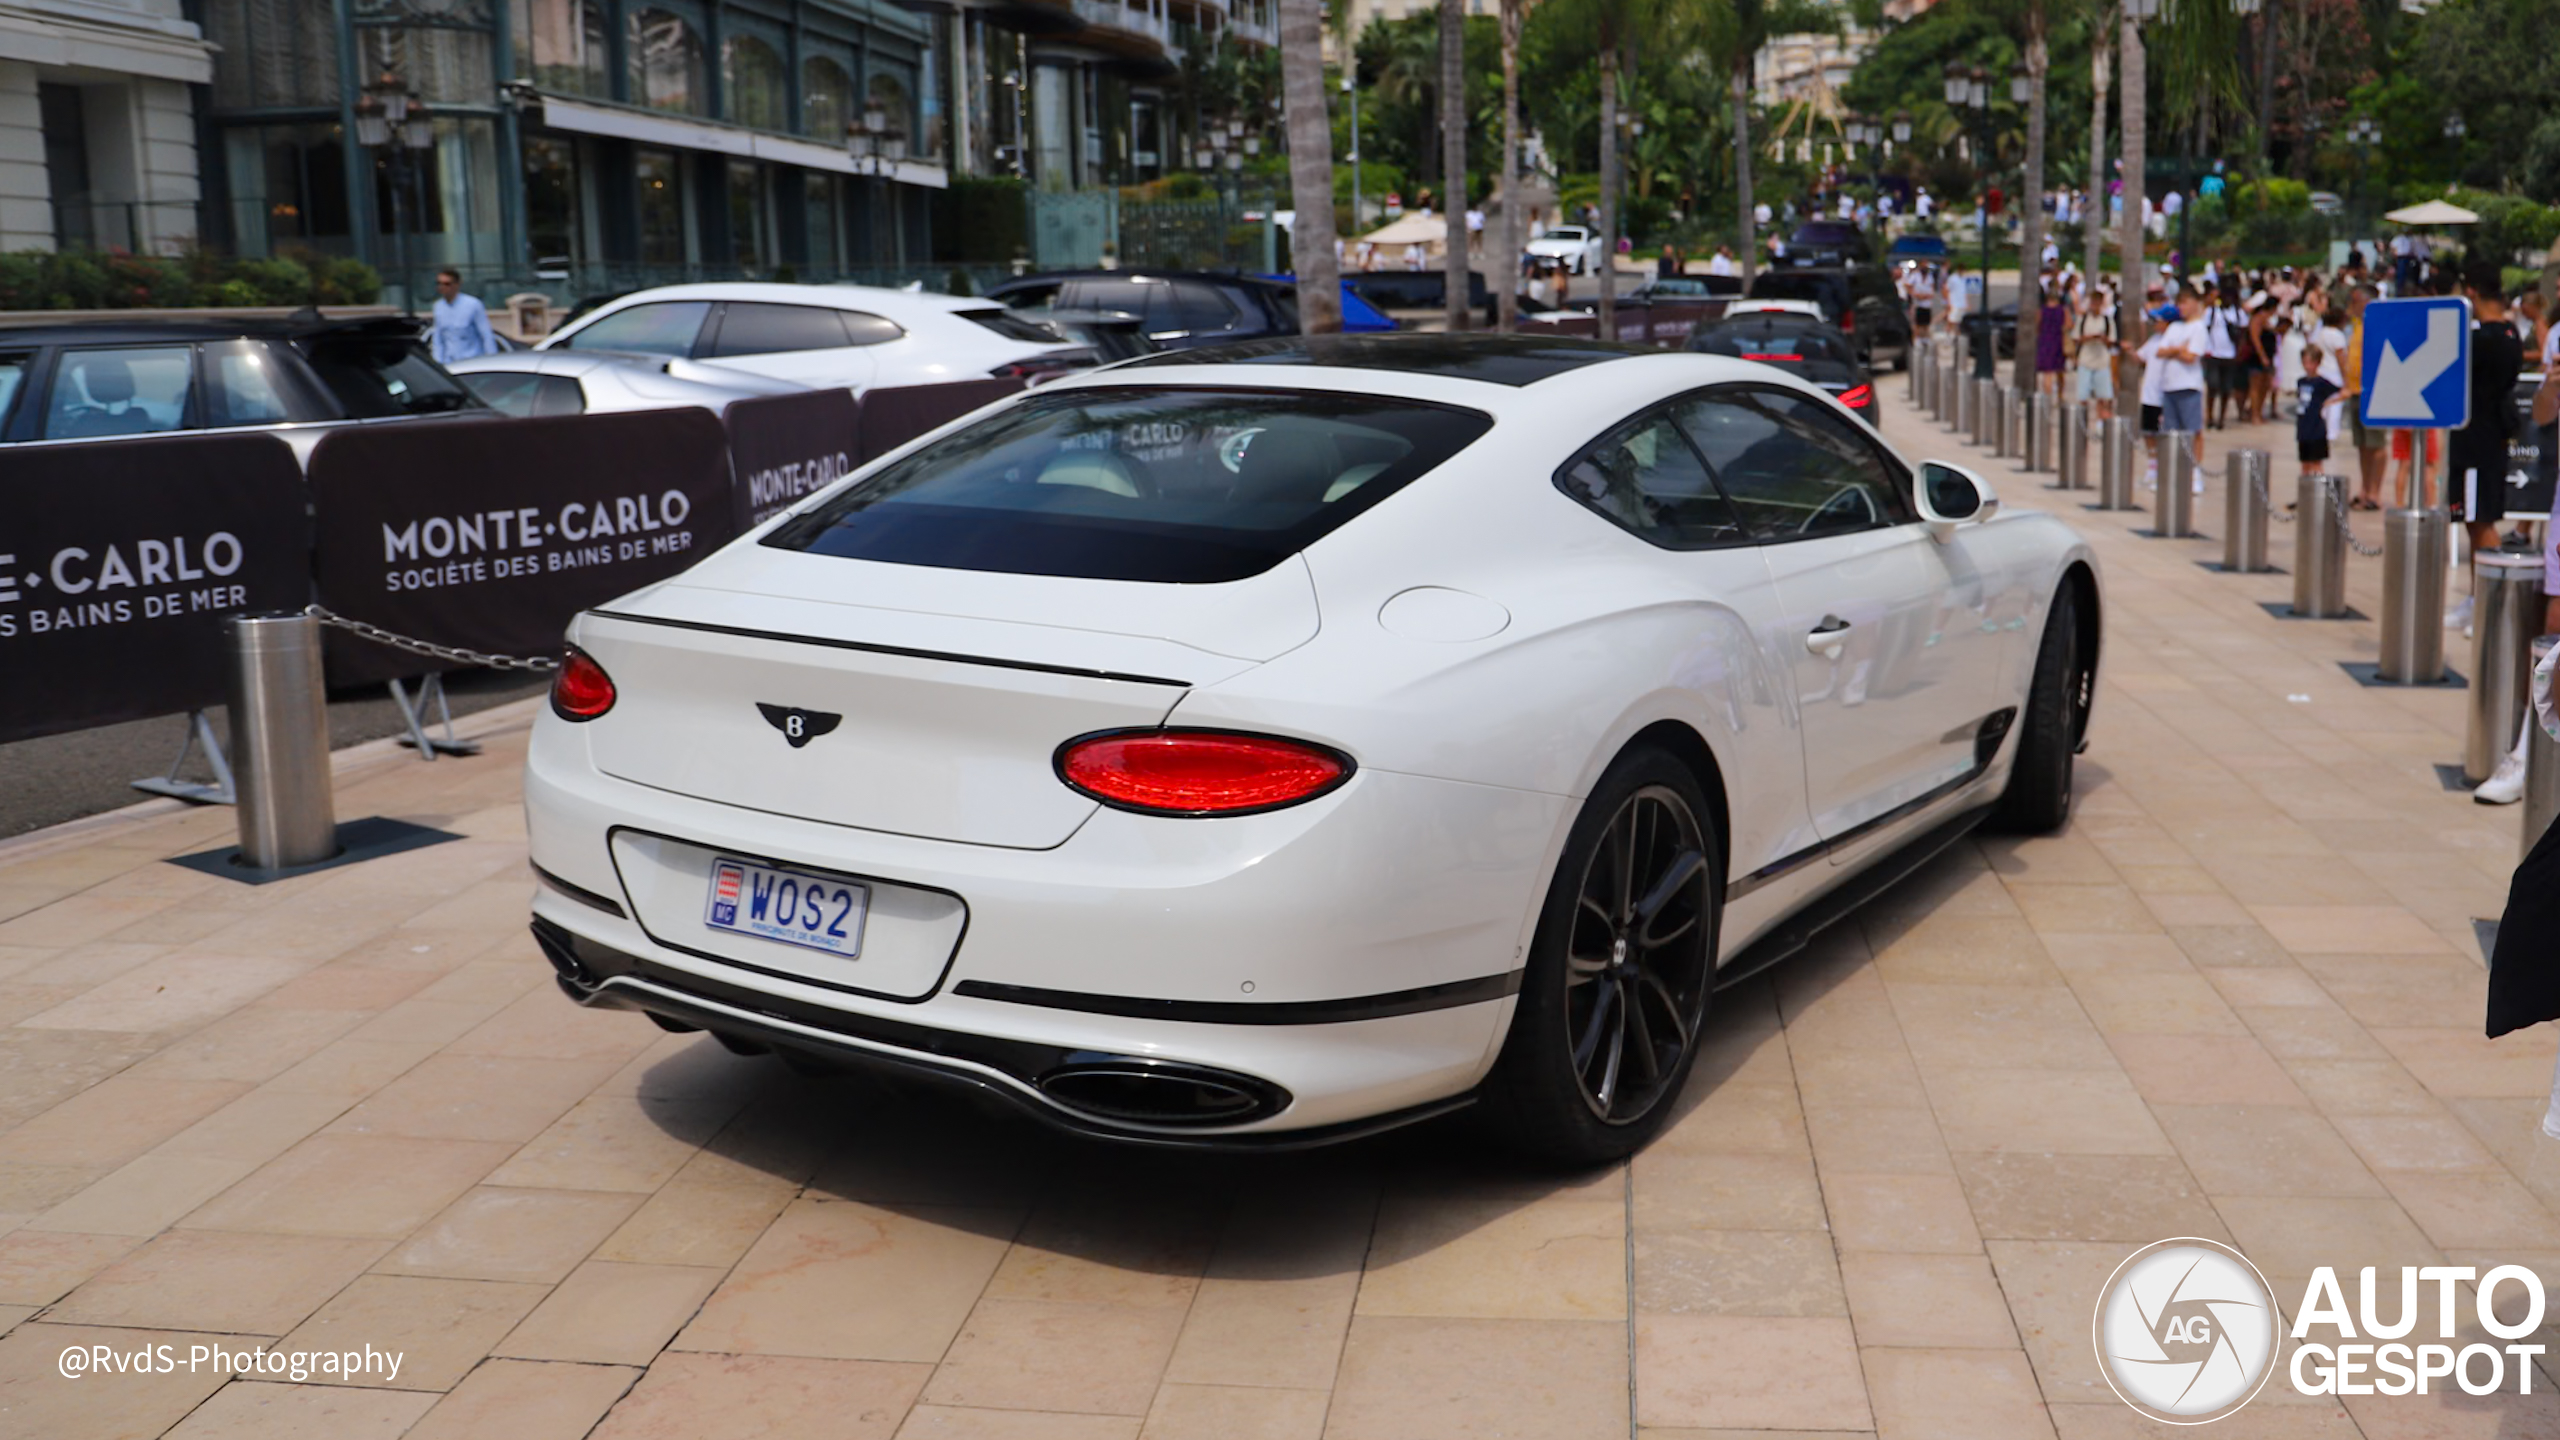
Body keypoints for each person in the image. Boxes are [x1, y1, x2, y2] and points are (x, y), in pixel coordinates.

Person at [2445, 261, 2525, 634]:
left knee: (2481, 524)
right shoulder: (2510, 334)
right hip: (2486, 441)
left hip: (2477, 443)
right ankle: (2478, 599)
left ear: (2472, 291)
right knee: (2477, 522)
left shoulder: (2483, 340)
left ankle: (2487, 606)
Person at [2157, 287, 2212, 487]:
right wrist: (2179, 349)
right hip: (2170, 386)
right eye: (2179, 303)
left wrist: (2175, 351)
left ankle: (2196, 472)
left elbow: (2191, 357)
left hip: (2189, 386)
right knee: (2171, 432)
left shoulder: (2198, 327)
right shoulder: (2175, 327)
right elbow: (2160, 351)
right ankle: (2172, 471)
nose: (2181, 307)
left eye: (2185, 303)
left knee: (2193, 430)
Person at [2297, 342, 2342, 486]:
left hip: (2316, 429)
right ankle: (2304, 492)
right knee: (2305, 463)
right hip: (2303, 429)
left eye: (2310, 362)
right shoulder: (2301, 382)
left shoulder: (2322, 382)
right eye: (2305, 362)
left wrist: (2329, 403)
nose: (2307, 366)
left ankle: (2319, 489)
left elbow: (2340, 391)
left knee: (2317, 463)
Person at [429, 269, 496, 365]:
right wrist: (438, 361)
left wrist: (491, 361)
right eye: (439, 283)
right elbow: (438, 338)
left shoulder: (473, 304)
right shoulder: (438, 306)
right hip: (449, 362)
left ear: (457, 285)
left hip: (472, 361)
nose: (442, 287)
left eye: (447, 284)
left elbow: (486, 335)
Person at [2070, 288, 2118, 422]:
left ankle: (2100, 423)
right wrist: (2086, 338)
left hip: (2102, 362)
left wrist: (2103, 339)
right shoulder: (2083, 319)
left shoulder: (2107, 321)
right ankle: (2082, 423)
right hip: (2085, 361)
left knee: (2103, 397)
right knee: (2082, 396)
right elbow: (2075, 338)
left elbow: (2112, 342)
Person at [2205, 282, 2247, 429]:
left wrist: (2239, 352)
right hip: (2214, 354)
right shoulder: (2212, 312)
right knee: (2213, 386)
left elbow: (2242, 333)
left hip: (2230, 355)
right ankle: (2209, 415)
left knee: (2226, 389)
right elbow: (2206, 330)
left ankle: (2221, 418)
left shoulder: (2238, 313)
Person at [2035, 280, 2067, 396]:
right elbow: (2069, 325)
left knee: (2047, 373)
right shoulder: (2062, 310)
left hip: (2045, 341)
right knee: (2060, 371)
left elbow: (2037, 325)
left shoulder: (2042, 310)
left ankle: (2047, 397)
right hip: (2058, 341)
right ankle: (2060, 395)